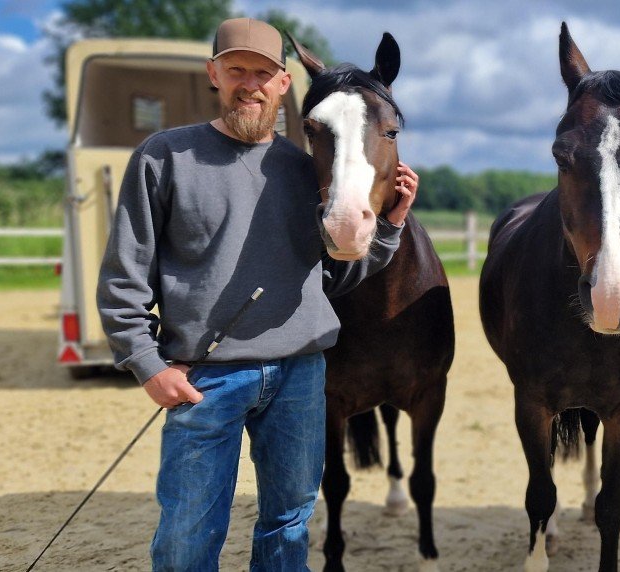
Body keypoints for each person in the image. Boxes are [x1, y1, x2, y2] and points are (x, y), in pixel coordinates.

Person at [95, 17, 420, 570]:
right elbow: (123, 278)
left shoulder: (303, 169)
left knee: (290, 523)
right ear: (213, 75)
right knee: (188, 530)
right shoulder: (163, 157)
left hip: (300, 373)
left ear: (284, 84)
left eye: (264, 73)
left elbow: (330, 282)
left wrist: (389, 227)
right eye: (237, 70)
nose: (251, 83)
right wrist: (149, 365)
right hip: (206, 378)